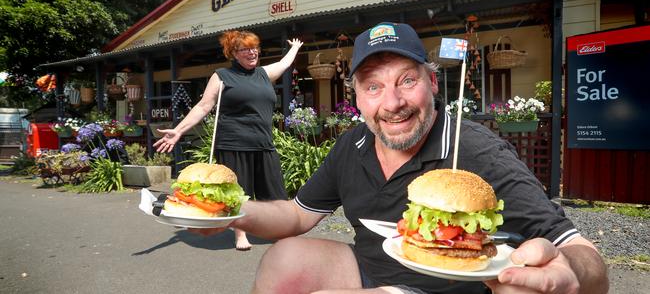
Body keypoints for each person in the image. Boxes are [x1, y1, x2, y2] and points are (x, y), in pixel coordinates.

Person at [192, 22, 608, 293]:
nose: (392, 103)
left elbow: (581, 253)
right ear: (355, 97)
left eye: (406, 80)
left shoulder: (476, 150)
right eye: (373, 86)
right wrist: (231, 212)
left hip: (442, 288)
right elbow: (297, 216)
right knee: (286, 255)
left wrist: (571, 276)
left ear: (431, 82)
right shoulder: (352, 144)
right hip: (370, 269)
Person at [154, 30, 303, 251]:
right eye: (246, 49)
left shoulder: (263, 74)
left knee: (275, 192)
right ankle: (240, 235)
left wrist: (295, 47)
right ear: (233, 53)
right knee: (238, 192)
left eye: (255, 48)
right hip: (234, 143)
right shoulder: (222, 76)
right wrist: (179, 130)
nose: (252, 52)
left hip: (263, 143)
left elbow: (283, 63)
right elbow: (203, 106)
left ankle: (279, 230)